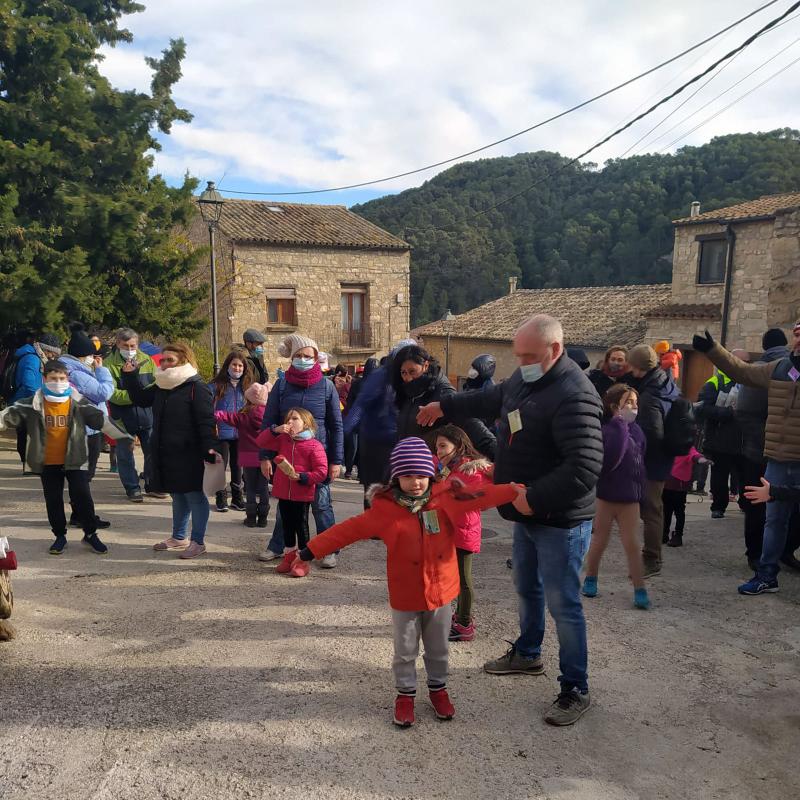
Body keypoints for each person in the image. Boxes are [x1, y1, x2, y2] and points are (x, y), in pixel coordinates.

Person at [417, 313, 604, 726]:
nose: (521, 363)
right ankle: (528, 653)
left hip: (560, 520)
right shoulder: (526, 379)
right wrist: (442, 405)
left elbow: (585, 466)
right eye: (518, 356)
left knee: (564, 603)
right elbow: (489, 399)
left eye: (529, 356)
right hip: (526, 510)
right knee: (527, 587)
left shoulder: (576, 395)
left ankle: (575, 687)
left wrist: (533, 499)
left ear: (554, 351)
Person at [293, 437, 521, 727]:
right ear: (396, 477)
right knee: (405, 649)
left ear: (431, 474)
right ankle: (405, 693)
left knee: (439, 648)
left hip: (441, 594)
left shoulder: (447, 498)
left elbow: (482, 495)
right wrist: (308, 551)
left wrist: (515, 491)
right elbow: (346, 531)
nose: (416, 482)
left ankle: (438, 689)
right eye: (408, 475)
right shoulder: (384, 511)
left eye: (422, 475)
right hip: (405, 595)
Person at [693, 325, 800, 595]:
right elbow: (743, 371)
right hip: (777, 458)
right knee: (774, 520)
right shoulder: (780, 368)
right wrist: (713, 350)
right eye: (797, 335)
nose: (798, 340)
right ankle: (767, 575)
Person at [0, 360, 110, 555]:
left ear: (68, 379)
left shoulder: (77, 401)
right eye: (53, 378)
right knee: (53, 499)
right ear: (45, 379)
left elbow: (99, 419)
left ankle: (91, 534)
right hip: (47, 461)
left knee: (82, 496)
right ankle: (59, 536)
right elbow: (8, 416)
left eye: (62, 378)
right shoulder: (32, 403)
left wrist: (119, 433)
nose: (58, 382)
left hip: (75, 459)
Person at [121, 342, 220, 559]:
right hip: (167, 451)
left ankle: (198, 541)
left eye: (170, 360)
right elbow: (141, 399)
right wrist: (130, 376)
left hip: (191, 452)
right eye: (163, 360)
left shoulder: (197, 387)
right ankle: (178, 536)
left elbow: (206, 421)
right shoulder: (162, 385)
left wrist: (210, 449)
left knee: (195, 496)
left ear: (183, 360)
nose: (164, 364)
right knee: (177, 495)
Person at [258, 334, 343, 567]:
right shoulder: (282, 385)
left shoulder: (326, 387)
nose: (303, 360)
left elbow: (336, 426)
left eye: (308, 356)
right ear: (291, 358)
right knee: (286, 505)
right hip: (287, 455)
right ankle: (278, 547)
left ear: (316, 358)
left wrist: (337, 460)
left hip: (317, 457)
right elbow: (269, 420)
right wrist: (265, 457)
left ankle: (329, 549)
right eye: (299, 356)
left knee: (321, 505)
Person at [582, 384, 649, 609]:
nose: (633, 407)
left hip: (630, 497)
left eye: (635, 403)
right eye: (628, 403)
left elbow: (641, 460)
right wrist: (620, 425)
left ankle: (640, 588)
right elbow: (612, 457)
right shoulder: (608, 431)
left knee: (632, 543)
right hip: (607, 496)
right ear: (614, 407)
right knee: (600, 540)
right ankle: (591, 577)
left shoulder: (638, 431)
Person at [735, 329, 791, 571]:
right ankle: (784, 551)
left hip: (756, 450)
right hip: (788, 450)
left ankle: (755, 555)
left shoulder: (758, 371)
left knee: (756, 504)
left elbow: (743, 412)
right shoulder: (790, 368)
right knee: (788, 502)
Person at [432, 424, 493, 642]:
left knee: (463, 580)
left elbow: (480, 496)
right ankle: (459, 617)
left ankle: (464, 623)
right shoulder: (450, 467)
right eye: (437, 446)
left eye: (442, 446)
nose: (438, 451)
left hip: (463, 530)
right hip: (452, 529)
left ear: (457, 446)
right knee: (454, 576)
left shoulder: (468, 468)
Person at [626, 344, 679, 578]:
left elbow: (650, 434)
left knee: (651, 510)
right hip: (664, 457)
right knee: (654, 508)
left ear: (638, 367)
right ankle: (651, 555)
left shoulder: (649, 397)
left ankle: (652, 559)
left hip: (652, 461)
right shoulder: (666, 383)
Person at [256, 408, 328, 577]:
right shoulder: (283, 440)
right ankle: (289, 556)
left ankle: (303, 560)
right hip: (283, 492)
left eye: (295, 419)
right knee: (287, 525)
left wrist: (302, 477)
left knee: (301, 526)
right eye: (288, 419)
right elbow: (261, 442)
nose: (289, 422)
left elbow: (321, 471)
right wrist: (274, 430)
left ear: (306, 423)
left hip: (302, 492)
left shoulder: (314, 445)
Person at [392, 344, 496, 461]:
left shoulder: (443, 393)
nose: (408, 378)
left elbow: (473, 426)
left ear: (425, 365)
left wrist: (500, 459)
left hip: (433, 469)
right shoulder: (407, 392)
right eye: (403, 373)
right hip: (408, 465)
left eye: (412, 371)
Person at [61, 322, 114, 529]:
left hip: (82, 427)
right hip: (85, 429)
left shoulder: (69, 368)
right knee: (83, 477)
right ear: (84, 355)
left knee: (81, 476)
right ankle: (86, 516)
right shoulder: (77, 373)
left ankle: (79, 513)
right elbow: (103, 393)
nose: (95, 359)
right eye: (92, 355)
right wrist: (102, 371)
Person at [105, 328, 158, 503]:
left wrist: (145, 398)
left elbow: (155, 385)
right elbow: (112, 393)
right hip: (122, 418)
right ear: (118, 344)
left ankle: (153, 484)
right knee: (125, 455)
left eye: (133, 345)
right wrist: (138, 396)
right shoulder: (108, 364)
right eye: (125, 345)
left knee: (152, 451)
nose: (129, 348)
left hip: (146, 416)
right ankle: (132, 487)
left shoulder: (147, 360)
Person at [214, 382, 271, 528]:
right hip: (265, 457)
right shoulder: (269, 415)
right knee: (264, 488)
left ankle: (251, 518)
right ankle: (263, 518)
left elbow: (230, 417)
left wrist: (217, 413)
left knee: (250, 488)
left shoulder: (245, 415)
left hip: (247, 455)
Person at [695, 362, 744, 519]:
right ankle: (718, 506)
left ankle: (745, 504)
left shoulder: (749, 381)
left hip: (744, 439)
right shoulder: (714, 383)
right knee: (719, 476)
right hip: (719, 439)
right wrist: (727, 413)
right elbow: (703, 408)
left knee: (745, 475)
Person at [9, 332, 62, 472]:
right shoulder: (32, 359)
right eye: (53, 352)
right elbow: (29, 384)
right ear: (46, 349)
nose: (53, 356)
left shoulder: (34, 357)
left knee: (27, 434)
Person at [208, 350, 253, 513]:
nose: (237, 368)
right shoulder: (215, 385)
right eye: (234, 364)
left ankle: (237, 497)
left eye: (241, 365)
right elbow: (207, 407)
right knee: (220, 465)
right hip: (222, 433)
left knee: (238, 465)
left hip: (241, 433)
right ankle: (221, 497)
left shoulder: (247, 386)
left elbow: (253, 406)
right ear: (227, 365)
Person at [662, 447, 709, 548]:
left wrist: (702, 460)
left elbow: (695, 455)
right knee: (667, 510)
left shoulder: (685, 447)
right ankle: (665, 534)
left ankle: (677, 535)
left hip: (679, 486)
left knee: (677, 511)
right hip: (668, 484)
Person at [342, 357, 378, 479]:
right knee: (361, 448)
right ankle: (360, 472)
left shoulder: (357, 383)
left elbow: (349, 401)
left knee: (353, 447)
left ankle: (348, 470)